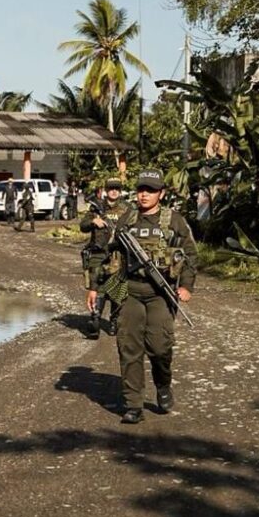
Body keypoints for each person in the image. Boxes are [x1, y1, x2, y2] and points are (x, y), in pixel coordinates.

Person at [111, 170, 198, 424]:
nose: (144, 194)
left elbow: (190, 256)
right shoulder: (127, 219)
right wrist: (97, 288)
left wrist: (186, 286)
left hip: (161, 293)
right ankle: (133, 404)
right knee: (129, 347)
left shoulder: (174, 221)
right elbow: (112, 255)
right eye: (141, 189)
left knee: (160, 347)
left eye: (150, 190)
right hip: (130, 291)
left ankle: (162, 383)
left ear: (161, 193)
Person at [80, 178, 131, 338]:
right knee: (97, 287)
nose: (113, 191)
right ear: (105, 190)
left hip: (119, 255)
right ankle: (95, 320)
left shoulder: (127, 208)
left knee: (117, 287)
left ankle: (114, 321)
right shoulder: (97, 207)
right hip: (98, 254)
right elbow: (83, 226)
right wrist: (93, 221)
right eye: (111, 188)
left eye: (116, 189)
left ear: (120, 191)